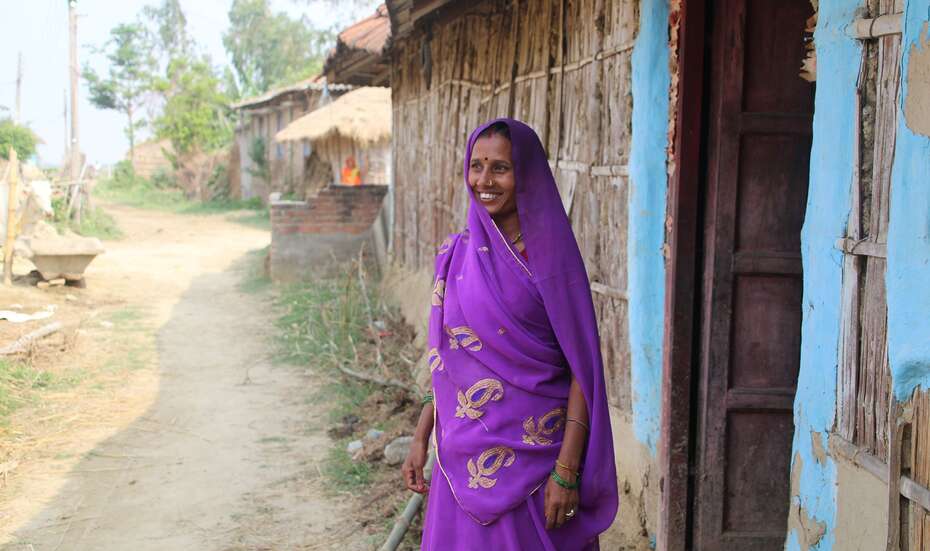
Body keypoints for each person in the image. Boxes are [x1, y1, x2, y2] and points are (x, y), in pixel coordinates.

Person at [402, 119, 618, 550]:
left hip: (535, 465)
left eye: (500, 167)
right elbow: (448, 363)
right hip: (461, 461)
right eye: (476, 166)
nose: (484, 180)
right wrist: (421, 436)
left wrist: (567, 469)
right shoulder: (455, 256)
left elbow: (583, 369)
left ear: (526, 174)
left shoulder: (554, 262)